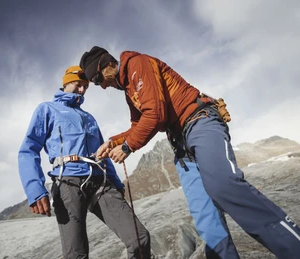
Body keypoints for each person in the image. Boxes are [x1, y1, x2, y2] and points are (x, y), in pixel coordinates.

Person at [79, 46, 300, 259]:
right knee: (206, 218)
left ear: (108, 64)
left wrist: (127, 147)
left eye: (98, 80)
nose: (102, 86)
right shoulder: (129, 91)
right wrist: (113, 142)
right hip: (181, 145)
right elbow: (138, 124)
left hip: (199, 122)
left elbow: (155, 114)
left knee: (224, 185)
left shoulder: (138, 64)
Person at [18, 66, 151, 259]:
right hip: (67, 183)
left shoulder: (89, 118)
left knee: (140, 238)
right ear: (66, 83)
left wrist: (115, 182)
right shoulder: (47, 109)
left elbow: (102, 153)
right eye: (78, 85)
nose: (82, 90)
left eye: (85, 87)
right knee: (76, 254)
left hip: (100, 182)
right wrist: (34, 189)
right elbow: (28, 149)